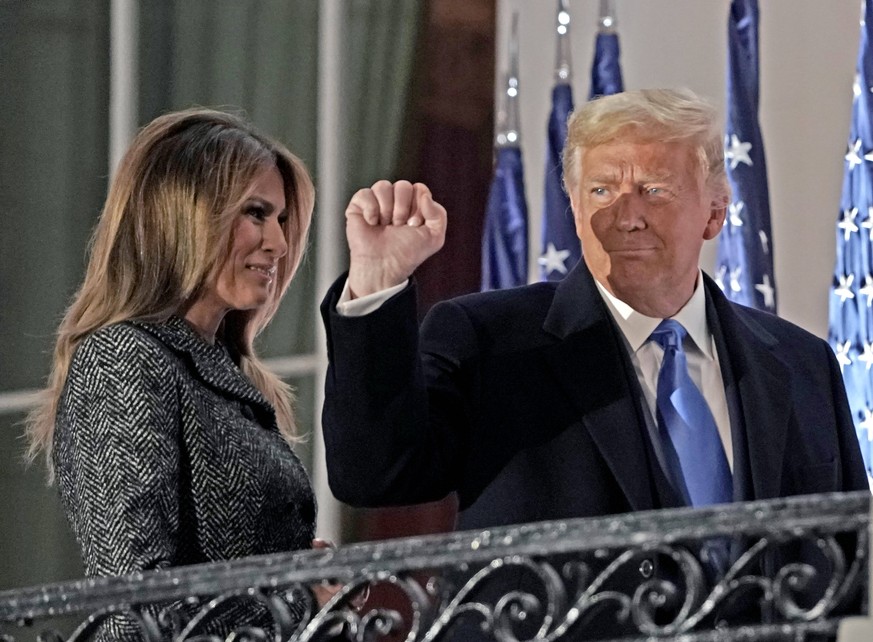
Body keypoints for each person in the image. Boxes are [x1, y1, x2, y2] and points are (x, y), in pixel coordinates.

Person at [320, 89, 869, 634]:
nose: (626, 216)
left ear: (715, 213)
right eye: (601, 190)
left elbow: (850, 558)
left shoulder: (803, 364)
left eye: (654, 190)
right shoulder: (490, 341)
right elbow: (375, 475)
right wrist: (376, 281)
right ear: (577, 210)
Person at [26, 108, 317, 639]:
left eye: (280, 219)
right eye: (256, 214)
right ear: (184, 215)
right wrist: (300, 594)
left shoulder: (226, 375)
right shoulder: (120, 357)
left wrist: (307, 582)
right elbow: (136, 602)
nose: (277, 242)